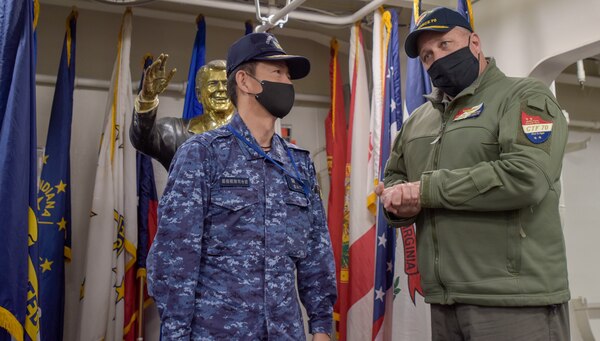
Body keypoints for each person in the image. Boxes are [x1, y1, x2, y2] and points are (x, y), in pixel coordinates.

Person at [375, 7, 570, 340]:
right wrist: (397, 203)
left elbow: (527, 177)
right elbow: (395, 177)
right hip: (443, 302)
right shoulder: (418, 121)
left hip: (513, 301)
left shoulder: (523, 96)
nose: (436, 59)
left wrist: (426, 191)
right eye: (426, 56)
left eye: (445, 45)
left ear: (475, 43)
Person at [146, 32, 336, 340]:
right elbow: (175, 260)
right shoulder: (203, 153)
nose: (287, 82)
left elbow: (316, 252)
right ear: (245, 81)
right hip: (218, 332)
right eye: (277, 72)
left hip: (285, 332)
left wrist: (321, 326)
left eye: (289, 75)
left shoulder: (298, 163)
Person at [129, 58, 234, 169]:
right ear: (198, 94)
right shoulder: (175, 131)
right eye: (213, 84)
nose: (221, 89)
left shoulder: (251, 132)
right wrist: (147, 98)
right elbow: (142, 139)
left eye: (226, 84)